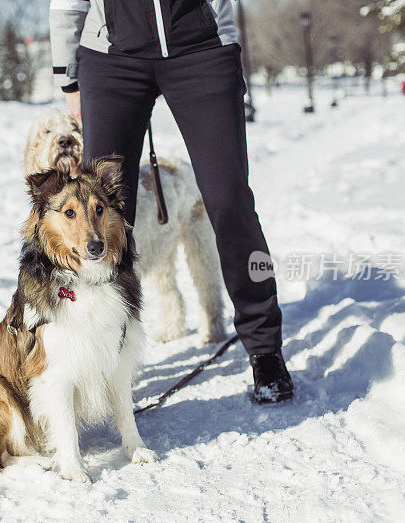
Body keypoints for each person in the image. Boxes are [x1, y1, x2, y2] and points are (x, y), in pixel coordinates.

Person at [48, 0, 293, 403]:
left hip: (202, 49)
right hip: (112, 58)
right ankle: (107, 356)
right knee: (105, 213)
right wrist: (69, 78)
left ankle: (265, 349)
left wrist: (224, 38)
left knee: (229, 199)